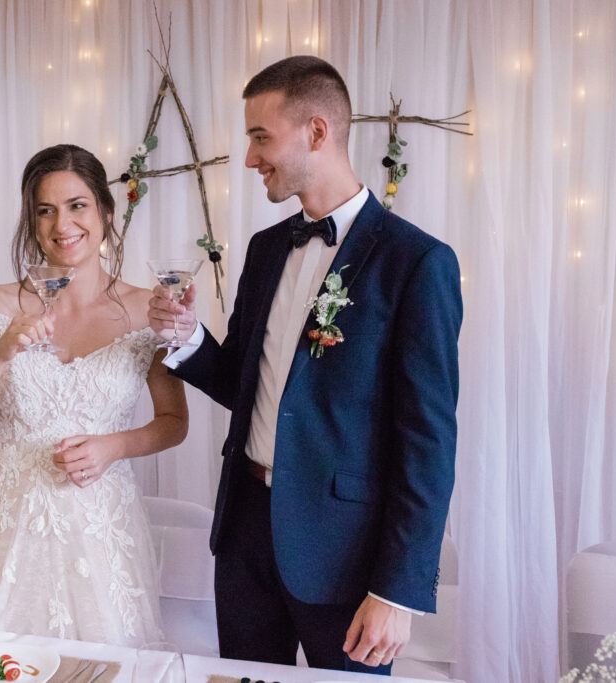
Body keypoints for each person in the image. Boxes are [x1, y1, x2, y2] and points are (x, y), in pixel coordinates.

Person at [148, 56, 462, 674]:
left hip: (347, 558)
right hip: (245, 540)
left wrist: (396, 592)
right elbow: (246, 384)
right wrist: (187, 337)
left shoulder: (417, 263)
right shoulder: (266, 249)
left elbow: (428, 443)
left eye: (260, 137)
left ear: (316, 131)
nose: (249, 158)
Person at [0, 144, 188, 647]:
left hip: (101, 522)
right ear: (32, 223)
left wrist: (114, 446)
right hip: (7, 524)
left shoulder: (148, 310)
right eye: (45, 210)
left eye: (77, 206)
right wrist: (0, 353)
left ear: (105, 212)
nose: (62, 224)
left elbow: (174, 422)